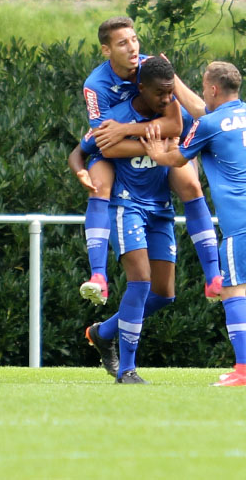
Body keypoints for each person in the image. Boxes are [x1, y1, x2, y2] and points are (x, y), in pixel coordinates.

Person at [141, 61, 246, 387]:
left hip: (244, 220)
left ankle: (245, 373)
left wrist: (156, 152)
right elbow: (204, 112)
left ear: (213, 89)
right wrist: (174, 79)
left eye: (204, 85)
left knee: (232, 293)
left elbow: (178, 157)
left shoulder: (210, 124)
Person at [77, 17, 221, 307]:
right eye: (122, 43)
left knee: (192, 185)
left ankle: (214, 278)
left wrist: (129, 130)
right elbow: (107, 144)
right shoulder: (96, 85)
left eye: (134, 39)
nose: (132, 48)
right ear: (106, 51)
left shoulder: (151, 68)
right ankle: (98, 277)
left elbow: (174, 126)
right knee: (99, 184)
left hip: (170, 143)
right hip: (139, 151)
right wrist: (150, 148)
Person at [68, 57, 194, 383]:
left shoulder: (169, 114)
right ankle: (127, 370)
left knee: (164, 294)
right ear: (142, 89)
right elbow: (90, 148)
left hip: (160, 209)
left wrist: (143, 138)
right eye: (161, 94)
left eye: (170, 94)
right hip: (126, 206)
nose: (168, 99)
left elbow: (177, 130)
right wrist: (83, 166)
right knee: (140, 282)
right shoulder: (115, 116)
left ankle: (103, 332)